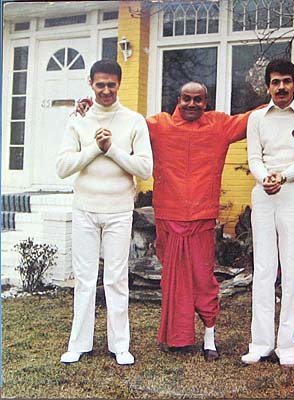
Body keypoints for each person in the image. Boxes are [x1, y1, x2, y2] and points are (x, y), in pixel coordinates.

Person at [78, 81, 258, 361]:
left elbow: (252, 119)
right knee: (173, 280)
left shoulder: (220, 125)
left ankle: (209, 338)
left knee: (203, 279)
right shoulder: (159, 125)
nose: (191, 104)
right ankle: (177, 337)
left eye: (198, 100)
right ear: (178, 99)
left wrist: (284, 104)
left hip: (202, 216)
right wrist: (93, 110)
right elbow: (125, 123)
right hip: (168, 215)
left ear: (206, 102)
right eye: (186, 98)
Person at [56, 60, 153, 365]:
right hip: (85, 208)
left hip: (119, 210)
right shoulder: (78, 120)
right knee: (84, 278)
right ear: (91, 84)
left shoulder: (134, 121)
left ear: (119, 84)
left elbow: (145, 169)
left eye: (112, 84)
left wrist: (111, 148)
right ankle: (79, 343)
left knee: (116, 278)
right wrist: (94, 148)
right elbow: (63, 167)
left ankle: (120, 345)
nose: (106, 90)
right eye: (100, 85)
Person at [241, 59, 294, 366]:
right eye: (275, 82)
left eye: (287, 81)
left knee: (292, 271)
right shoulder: (257, 118)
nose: (281, 87)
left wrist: (283, 177)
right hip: (264, 195)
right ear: (268, 87)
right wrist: (266, 178)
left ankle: (287, 345)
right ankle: (260, 343)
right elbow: (254, 157)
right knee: (263, 269)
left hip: (293, 194)